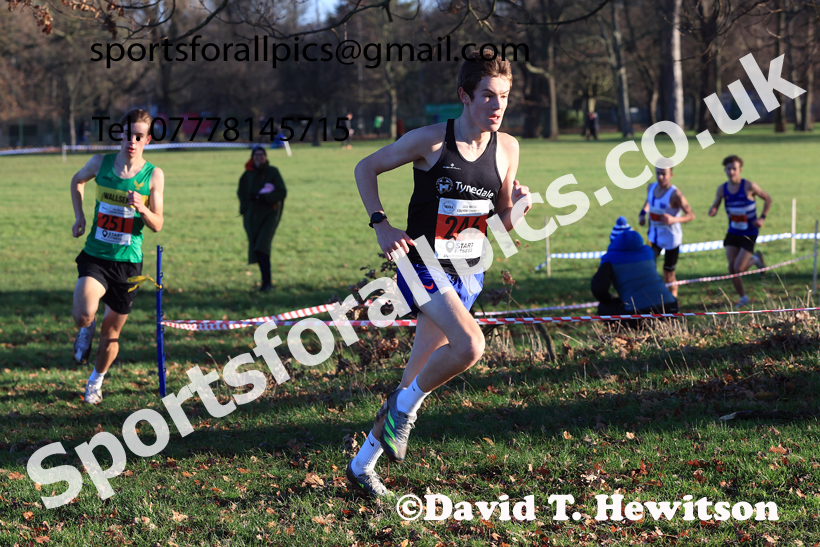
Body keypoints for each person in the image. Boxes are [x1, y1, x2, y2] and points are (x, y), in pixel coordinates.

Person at [348, 48, 533, 498]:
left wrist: (522, 209)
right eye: (488, 95)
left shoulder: (508, 147)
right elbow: (365, 166)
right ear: (464, 96)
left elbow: (500, 224)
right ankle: (401, 411)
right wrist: (382, 224)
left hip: (468, 273)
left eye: (504, 96)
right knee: (471, 345)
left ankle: (361, 466)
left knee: (416, 381)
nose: (497, 105)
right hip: (423, 267)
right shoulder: (431, 141)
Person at [70, 108, 165, 404]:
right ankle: (85, 330)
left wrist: (144, 208)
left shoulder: (153, 175)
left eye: (138, 136)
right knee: (83, 313)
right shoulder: (102, 163)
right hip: (96, 255)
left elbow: (158, 224)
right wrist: (79, 217)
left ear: (147, 140)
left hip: (128, 264)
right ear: (120, 136)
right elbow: (77, 181)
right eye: (127, 135)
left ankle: (95, 381)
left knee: (111, 334)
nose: (131, 141)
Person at [707, 155, 772, 307]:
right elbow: (715, 204)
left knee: (738, 268)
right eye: (728, 169)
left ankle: (756, 259)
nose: (731, 172)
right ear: (725, 170)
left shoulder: (749, 186)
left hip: (749, 232)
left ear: (739, 170)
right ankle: (743, 298)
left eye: (734, 169)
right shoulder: (722, 189)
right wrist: (713, 210)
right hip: (733, 232)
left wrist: (762, 218)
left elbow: (768, 199)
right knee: (732, 268)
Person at [592, 217, 679, 327]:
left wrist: (611, 300)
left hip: (637, 313)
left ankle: (622, 338)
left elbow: (598, 288)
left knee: (604, 308)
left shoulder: (610, 259)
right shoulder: (648, 252)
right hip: (669, 306)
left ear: (613, 242)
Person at [638, 167, 695, 298]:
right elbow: (649, 201)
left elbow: (691, 215)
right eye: (658, 173)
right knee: (646, 266)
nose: (660, 177)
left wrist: (675, 219)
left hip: (671, 240)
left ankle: (672, 300)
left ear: (671, 175)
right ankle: (651, 296)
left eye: (664, 174)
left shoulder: (675, 194)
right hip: (654, 237)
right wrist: (642, 214)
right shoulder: (651, 187)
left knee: (668, 273)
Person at [238, 146, 287, 292]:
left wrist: (264, 197)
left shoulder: (272, 172)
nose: (259, 158)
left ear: (265, 157)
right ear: (252, 157)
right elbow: (242, 194)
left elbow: (281, 192)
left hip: (269, 215)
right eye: (256, 155)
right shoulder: (247, 175)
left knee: (262, 246)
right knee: (257, 248)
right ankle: (265, 282)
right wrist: (246, 206)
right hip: (252, 217)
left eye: (261, 155)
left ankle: (267, 283)